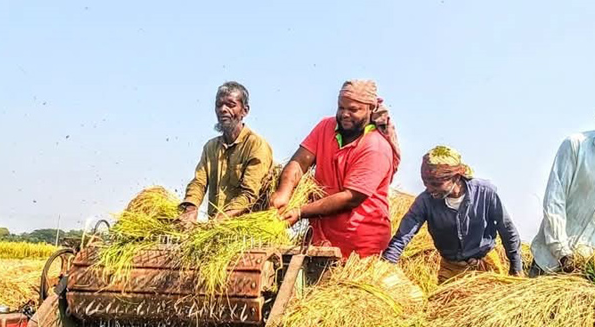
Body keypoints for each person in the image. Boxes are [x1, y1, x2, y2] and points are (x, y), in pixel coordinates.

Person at [270, 80, 400, 258]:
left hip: (360, 249)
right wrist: (283, 193)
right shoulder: (326, 127)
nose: (345, 114)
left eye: (353, 110)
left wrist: (301, 212)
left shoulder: (375, 146)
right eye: (341, 107)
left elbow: (351, 198)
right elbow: (300, 162)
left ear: (370, 109)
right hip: (321, 240)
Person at [382, 146, 523, 283]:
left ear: (456, 177)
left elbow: (507, 229)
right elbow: (402, 237)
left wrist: (516, 267)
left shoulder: (485, 192)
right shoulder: (425, 201)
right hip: (451, 269)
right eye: (426, 183)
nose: (430, 189)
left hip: (486, 265)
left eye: (436, 184)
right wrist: (386, 268)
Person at [179, 81, 273, 226]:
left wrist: (219, 220)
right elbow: (199, 182)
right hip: (216, 228)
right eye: (219, 105)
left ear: (245, 111)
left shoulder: (256, 146)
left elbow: (249, 195)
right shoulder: (211, 147)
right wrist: (190, 209)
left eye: (230, 105)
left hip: (246, 232)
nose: (223, 109)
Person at [530, 130, 595, 276]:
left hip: (586, 273)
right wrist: (564, 254)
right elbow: (554, 201)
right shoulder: (575, 145)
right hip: (549, 264)